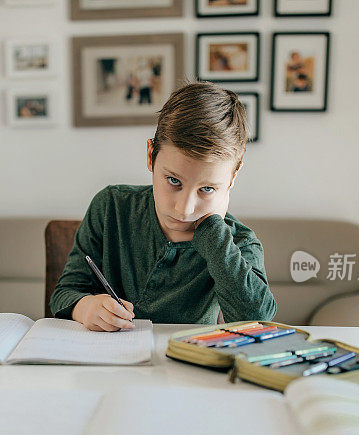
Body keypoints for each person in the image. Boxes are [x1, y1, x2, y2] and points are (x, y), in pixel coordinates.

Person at [50, 81, 277, 331]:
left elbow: (258, 321)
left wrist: (216, 238)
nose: (184, 209)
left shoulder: (239, 243)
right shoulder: (110, 207)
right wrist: (86, 307)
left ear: (232, 177)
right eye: (174, 181)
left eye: (207, 189)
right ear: (150, 155)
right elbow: (64, 293)